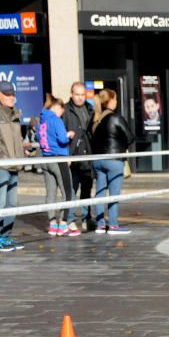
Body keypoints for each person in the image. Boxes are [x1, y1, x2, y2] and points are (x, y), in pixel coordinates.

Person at [0, 81, 28, 252]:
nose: (11, 97)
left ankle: (6, 236)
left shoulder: (15, 114)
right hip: (2, 166)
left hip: (15, 165)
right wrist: (3, 157)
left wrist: (22, 153)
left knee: (12, 203)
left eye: (13, 94)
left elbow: (16, 140)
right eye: (7, 94)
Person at [90, 89, 135, 234]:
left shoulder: (96, 119)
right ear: (109, 101)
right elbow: (130, 137)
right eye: (115, 99)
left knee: (100, 192)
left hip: (98, 161)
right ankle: (114, 225)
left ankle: (100, 224)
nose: (116, 101)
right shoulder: (116, 118)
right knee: (114, 194)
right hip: (114, 160)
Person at [38, 94, 76, 237]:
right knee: (67, 191)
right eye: (62, 109)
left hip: (45, 159)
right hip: (58, 158)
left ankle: (52, 224)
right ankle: (64, 223)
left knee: (51, 193)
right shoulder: (56, 120)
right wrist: (69, 134)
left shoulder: (41, 120)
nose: (63, 112)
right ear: (56, 107)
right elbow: (61, 139)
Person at [63, 82, 96, 232]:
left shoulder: (90, 109)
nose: (80, 97)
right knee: (71, 190)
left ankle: (85, 218)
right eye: (77, 94)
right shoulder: (65, 110)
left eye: (83, 94)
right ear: (71, 94)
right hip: (73, 156)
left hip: (87, 156)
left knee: (86, 190)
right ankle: (69, 219)